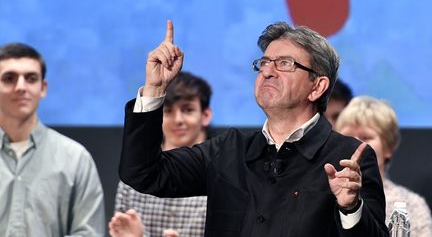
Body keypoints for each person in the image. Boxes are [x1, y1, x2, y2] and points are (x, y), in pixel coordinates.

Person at [118, 20, 389, 236]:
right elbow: (144, 173)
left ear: (317, 87)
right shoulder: (228, 149)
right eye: (264, 63)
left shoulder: (348, 158)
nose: (268, 72)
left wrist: (350, 207)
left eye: (284, 63)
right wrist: (154, 89)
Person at [0, 42, 105, 236]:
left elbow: (89, 234)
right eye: (9, 78)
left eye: (31, 78)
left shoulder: (75, 158)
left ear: (43, 88)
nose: (21, 87)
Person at [110, 72, 212, 237]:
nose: (178, 119)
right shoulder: (133, 178)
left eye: (187, 109)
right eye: (168, 110)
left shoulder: (220, 173)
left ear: (205, 115)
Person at [335, 95, 432, 236]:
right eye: (348, 137)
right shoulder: (321, 197)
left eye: (365, 137)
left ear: (388, 147)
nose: (355, 144)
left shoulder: (412, 204)